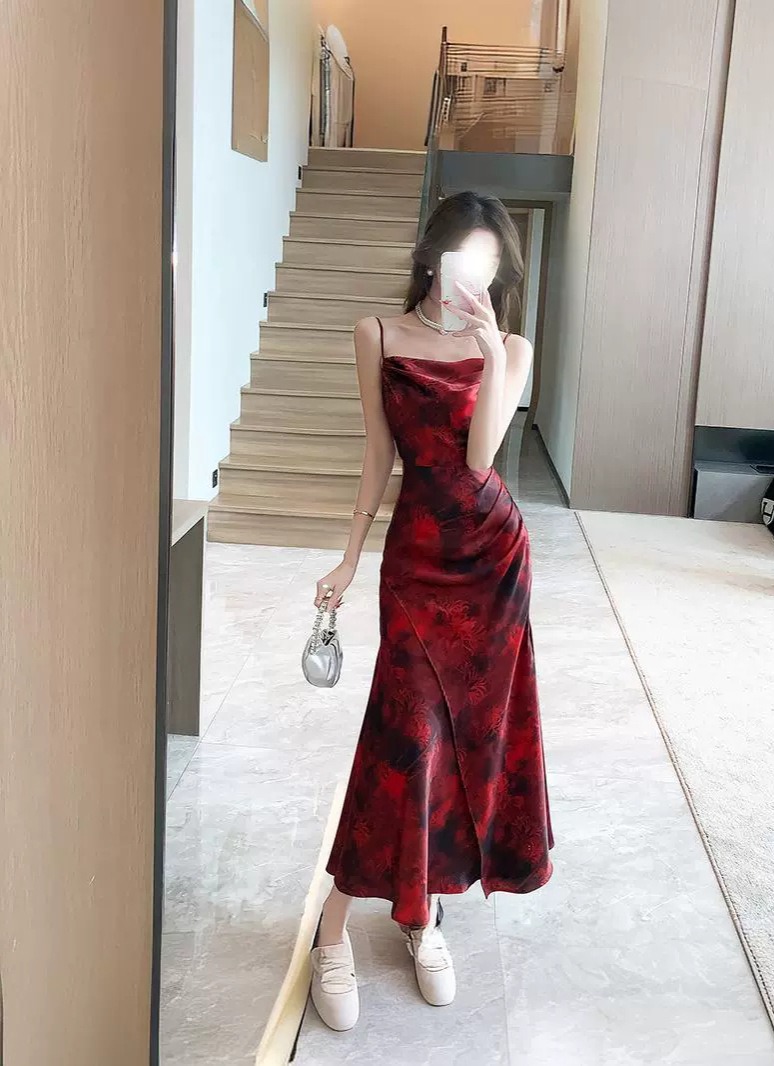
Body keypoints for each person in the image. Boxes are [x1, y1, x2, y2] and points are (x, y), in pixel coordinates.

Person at [309, 191, 555, 1031]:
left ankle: (420, 910)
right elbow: (380, 451)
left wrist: (487, 350)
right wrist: (348, 556)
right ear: (432, 255)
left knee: (465, 741)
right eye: (463, 256)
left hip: (493, 559)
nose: (474, 274)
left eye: (490, 262)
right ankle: (333, 926)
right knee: (404, 736)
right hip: (417, 558)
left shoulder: (510, 347)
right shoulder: (376, 333)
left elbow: (481, 457)